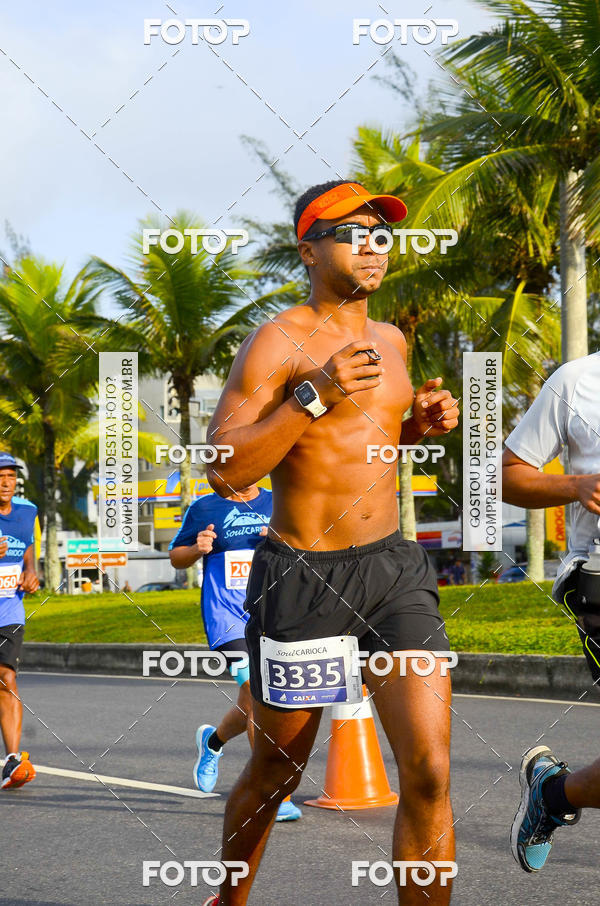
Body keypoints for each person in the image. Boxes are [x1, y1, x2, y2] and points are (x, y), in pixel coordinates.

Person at [202, 179, 460, 906]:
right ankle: (230, 896)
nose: (373, 245)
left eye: (382, 233)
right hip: (303, 576)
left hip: (392, 569)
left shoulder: (391, 340)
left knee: (431, 769)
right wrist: (311, 394)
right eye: (353, 231)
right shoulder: (277, 341)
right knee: (277, 773)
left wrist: (419, 427)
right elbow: (227, 471)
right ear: (309, 247)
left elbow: (364, 445)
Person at [502, 351, 600, 872]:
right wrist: (575, 487)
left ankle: (553, 794)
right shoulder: (578, 381)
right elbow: (506, 475)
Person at [169, 482, 302, 822]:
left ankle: (212, 742)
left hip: (271, 611)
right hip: (226, 615)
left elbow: (306, 544)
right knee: (255, 692)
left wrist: (280, 537)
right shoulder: (203, 507)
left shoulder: (280, 500)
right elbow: (176, 557)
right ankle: (274, 792)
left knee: (254, 701)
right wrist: (198, 548)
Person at [0, 452, 40, 789]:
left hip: (9, 610)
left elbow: (28, 549)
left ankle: (12, 761)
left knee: (6, 678)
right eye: (0, 476)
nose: (5, 482)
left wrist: (31, 573)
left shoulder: (27, 512)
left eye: (10, 476)